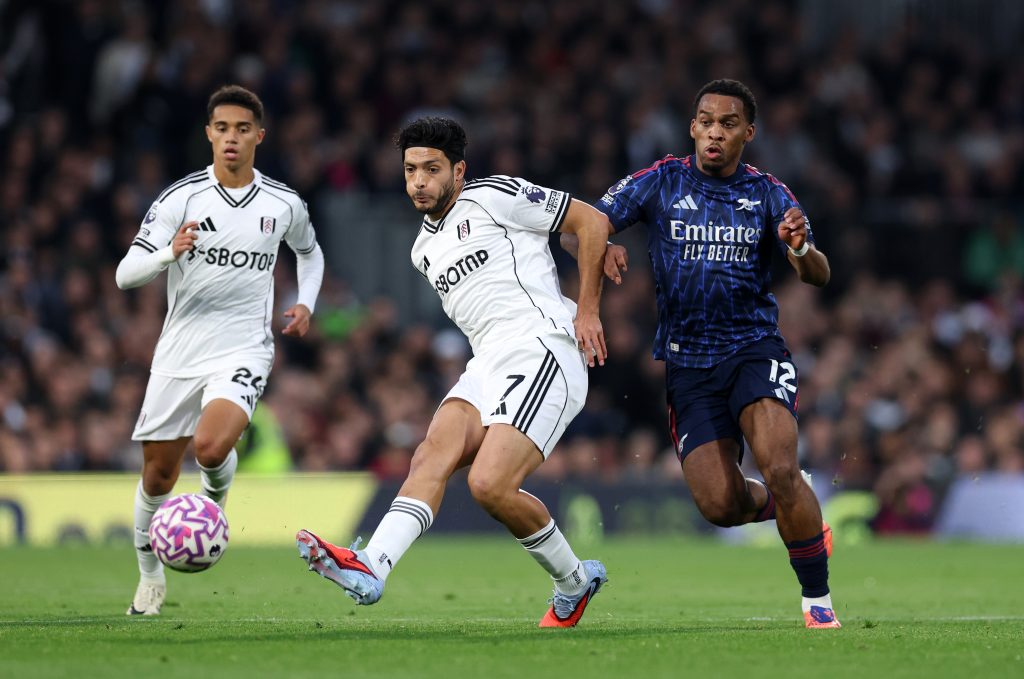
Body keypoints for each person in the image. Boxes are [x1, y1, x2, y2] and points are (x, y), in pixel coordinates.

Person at [296, 116, 612, 627]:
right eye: (410, 170)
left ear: (459, 170)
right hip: (486, 362)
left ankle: (573, 581)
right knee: (430, 455)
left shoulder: (492, 195)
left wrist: (588, 309)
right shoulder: (422, 249)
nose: (419, 180)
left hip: (542, 347)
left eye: (431, 169)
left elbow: (589, 222)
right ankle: (372, 567)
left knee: (490, 485)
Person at [565, 79, 840, 629]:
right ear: (692, 127)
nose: (716, 132)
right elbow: (580, 227)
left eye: (729, 123)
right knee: (720, 506)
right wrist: (605, 241)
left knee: (781, 465)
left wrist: (800, 247)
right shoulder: (661, 180)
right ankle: (795, 506)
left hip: (753, 348)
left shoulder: (768, 193)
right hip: (688, 364)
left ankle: (817, 601)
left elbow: (819, 275)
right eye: (707, 121)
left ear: (748, 133)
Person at [116, 85, 324, 615]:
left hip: (244, 345)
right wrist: (169, 252)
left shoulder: (282, 203)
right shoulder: (180, 199)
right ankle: (149, 577)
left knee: (210, 448)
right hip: (180, 349)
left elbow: (310, 251)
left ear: (259, 135)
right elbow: (124, 275)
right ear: (209, 133)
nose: (232, 139)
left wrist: (306, 303)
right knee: (158, 476)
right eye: (222, 129)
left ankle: (214, 498)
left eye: (242, 129)